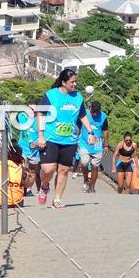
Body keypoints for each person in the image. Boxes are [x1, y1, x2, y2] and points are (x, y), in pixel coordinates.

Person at [36, 69, 97, 209]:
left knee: (63, 170)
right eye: (72, 82)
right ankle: (44, 186)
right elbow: (40, 113)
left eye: (76, 81)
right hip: (50, 138)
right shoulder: (51, 95)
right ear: (63, 82)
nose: (75, 84)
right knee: (47, 169)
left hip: (69, 140)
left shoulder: (78, 97)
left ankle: (57, 199)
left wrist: (90, 132)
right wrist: (40, 135)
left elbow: (82, 116)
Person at [79, 101, 109, 193]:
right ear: (90, 108)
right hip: (84, 142)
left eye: (97, 111)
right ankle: (85, 179)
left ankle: (92, 187)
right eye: (93, 111)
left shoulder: (103, 117)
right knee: (84, 162)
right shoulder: (84, 114)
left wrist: (106, 145)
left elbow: (105, 131)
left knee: (95, 166)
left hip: (97, 143)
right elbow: (78, 126)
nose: (94, 113)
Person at [16, 104, 41, 197]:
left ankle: (29, 189)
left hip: (35, 151)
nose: (32, 110)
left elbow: (45, 134)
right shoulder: (22, 116)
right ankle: (20, 188)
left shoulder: (39, 120)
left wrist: (37, 142)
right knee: (22, 168)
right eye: (30, 108)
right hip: (23, 148)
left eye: (34, 109)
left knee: (32, 171)